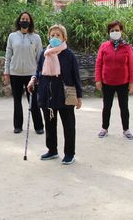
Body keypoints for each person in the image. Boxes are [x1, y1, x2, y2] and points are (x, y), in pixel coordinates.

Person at [28, 24, 82, 165]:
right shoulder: (44, 54)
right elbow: (39, 72)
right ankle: (52, 150)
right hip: (47, 94)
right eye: (52, 35)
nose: (55, 38)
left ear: (64, 38)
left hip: (65, 94)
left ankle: (69, 153)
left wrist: (79, 97)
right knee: (50, 125)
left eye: (58, 35)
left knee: (68, 125)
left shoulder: (69, 55)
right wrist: (33, 80)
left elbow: (76, 77)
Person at [95, 20, 133, 140]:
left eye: (117, 30)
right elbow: (99, 64)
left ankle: (126, 129)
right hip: (107, 82)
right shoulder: (104, 46)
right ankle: (104, 128)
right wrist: (98, 79)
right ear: (109, 32)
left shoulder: (127, 47)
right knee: (106, 106)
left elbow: (131, 65)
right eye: (112, 30)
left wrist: (132, 82)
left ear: (121, 31)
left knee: (124, 107)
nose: (115, 32)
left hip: (123, 82)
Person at [4, 11, 44, 134]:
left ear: (30, 21)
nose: (24, 20)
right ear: (19, 21)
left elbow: (40, 57)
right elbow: (8, 55)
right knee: (17, 101)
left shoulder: (36, 37)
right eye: (22, 18)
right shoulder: (12, 36)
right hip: (15, 73)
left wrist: (39, 74)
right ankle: (17, 126)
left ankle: (39, 126)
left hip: (31, 74)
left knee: (33, 101)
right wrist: (7, 72)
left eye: (27, 19)